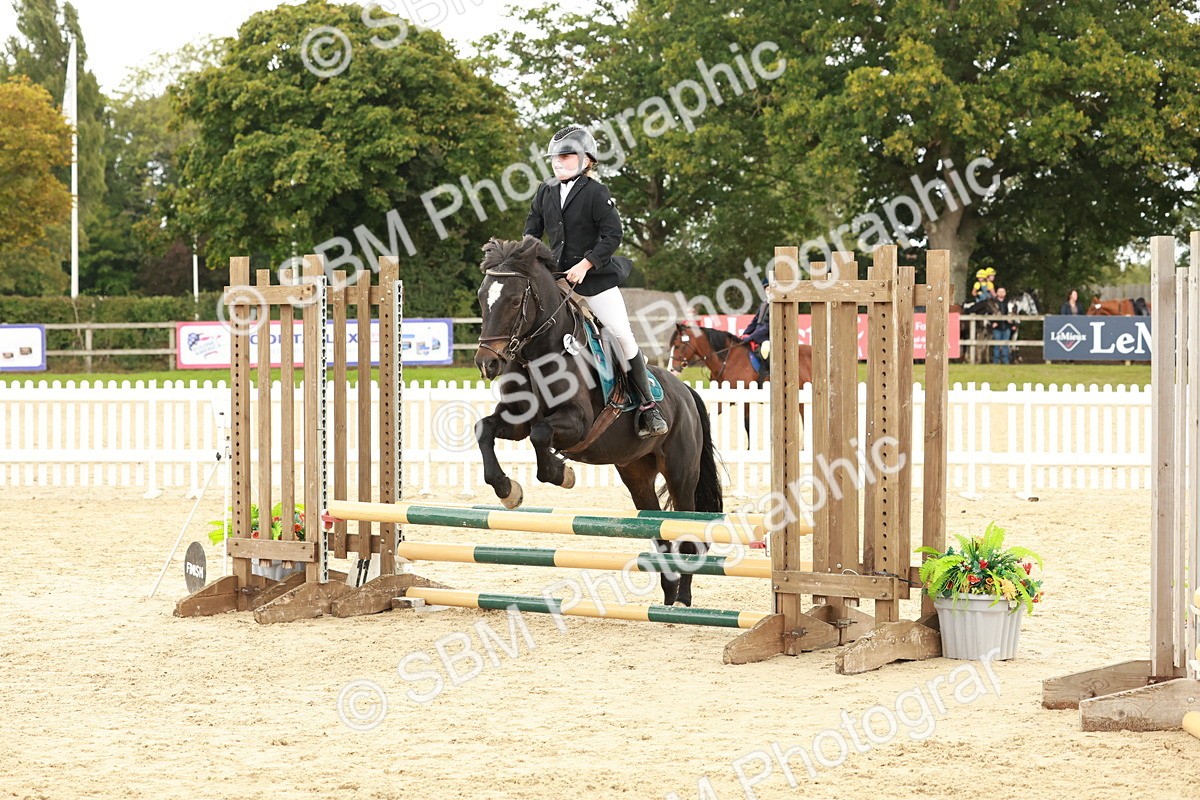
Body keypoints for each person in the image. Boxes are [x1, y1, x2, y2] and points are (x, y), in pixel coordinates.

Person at [523, 125, 667, 438]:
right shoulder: (545, 191)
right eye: (554, 157)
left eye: (566, 155)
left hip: (594, 280)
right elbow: (531, 232)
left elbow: (612, 234)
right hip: (559, 281)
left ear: (587, 160)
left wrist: (586, 264)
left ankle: (647, 407)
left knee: (621, 335)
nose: (557, 162)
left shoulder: (595, 192)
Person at [991, 287, 1017, 364]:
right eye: (1000, 291)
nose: (1001, 293)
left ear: (1005, 293)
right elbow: (990, 314)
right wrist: (993, 322)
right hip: (997, 327)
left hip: (1006, 326)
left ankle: (1006, 361)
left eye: (1003, 292)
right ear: (997, 293)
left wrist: (1013, 324)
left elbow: (1013, 314)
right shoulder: (993, 303)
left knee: (1006, 344)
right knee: (996, 345)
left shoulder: (1009, 303)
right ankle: (996, 361)